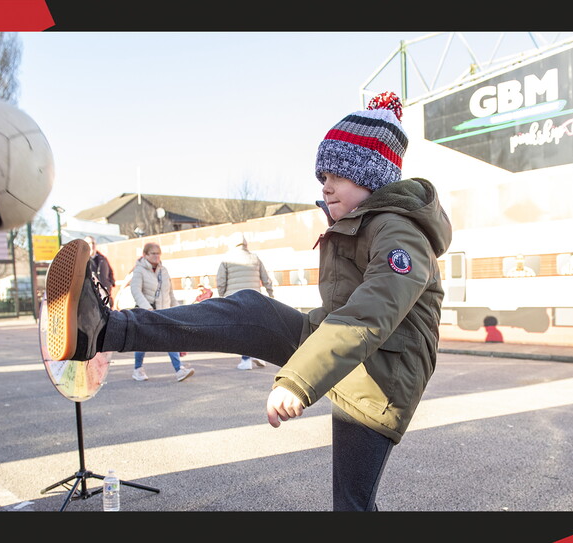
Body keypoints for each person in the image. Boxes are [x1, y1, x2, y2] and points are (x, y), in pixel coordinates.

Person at [43, 91, 451, 511]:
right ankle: (102, 330)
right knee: (251, 310)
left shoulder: (400, 234)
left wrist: (298, 379)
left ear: (372, 178)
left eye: (337, 175)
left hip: (379, 378)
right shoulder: (358, 223)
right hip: (346, 353)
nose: (325, 184)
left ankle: (106, 330)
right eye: (321, 175)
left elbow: (371, 313)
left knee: (351, 505)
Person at [127, 242, 195, 382]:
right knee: (142, 341)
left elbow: (169, 293)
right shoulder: (139, 270)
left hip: (164, 311)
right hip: (147, 312)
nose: (157, 256)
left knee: (171, 339)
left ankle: (179, 370)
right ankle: (138, 369)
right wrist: (147, 308)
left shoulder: (163, 271)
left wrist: (177, 309)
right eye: (153, 253)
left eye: (158, 253)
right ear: (145, 255)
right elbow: (135, 290)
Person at [216, 232, 273, 370]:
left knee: (241, 330)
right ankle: (259, 355)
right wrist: (270, 294)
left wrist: (223, 296)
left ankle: (246, 360)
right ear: (246, 243)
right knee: (255, 328)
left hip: (235, 299)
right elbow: (266, 278)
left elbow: (220, 281)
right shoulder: (254, 258)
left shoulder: (227, 259)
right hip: (254, 298)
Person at [85, 235, 116, 307]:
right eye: (89, 243)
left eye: (93, 243)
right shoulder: (84, 261)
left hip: (105, 295)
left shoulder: (103, 258)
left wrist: (110, 283)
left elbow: (110, 272)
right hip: (92, 298)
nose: (92, 245)